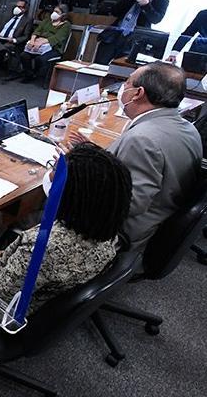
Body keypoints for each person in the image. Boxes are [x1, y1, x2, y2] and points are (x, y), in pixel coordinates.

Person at [0, 143, 132, 315]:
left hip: (8, 312)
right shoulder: (106, 227)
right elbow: (45, 268)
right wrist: (2, 253)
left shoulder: (44, 245)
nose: (51, 176)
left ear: (70, 196)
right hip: (48, 295)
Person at [68, 62, 202, 253]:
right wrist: (98, 155)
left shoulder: (142, 139)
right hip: (164, 213)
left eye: (127, 83)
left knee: (42, 206)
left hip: (126, 233)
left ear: (138, 93)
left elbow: (125, 204)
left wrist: (73, 173)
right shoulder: (187, 127)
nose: (123, 88)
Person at [94, 0, 169, 65]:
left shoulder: (162, 0)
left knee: (120, 68)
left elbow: (156, 19)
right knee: (98, 64)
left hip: (134, 40)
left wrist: (146, 5)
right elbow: (114, 12)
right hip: (114, 35)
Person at [18, 4, 71, 83]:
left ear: (63, 14)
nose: (54, 13)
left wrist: (41, 42)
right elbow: (37, 31)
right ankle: (30, 74)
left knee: (40, 59)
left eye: (57, 12)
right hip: (38, 44)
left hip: (54, 48)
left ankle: (33, 73)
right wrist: (32, 40)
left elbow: (57, 38)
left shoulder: (66, 25)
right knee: (24, 56)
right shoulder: (47, 21)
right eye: (54, 11)